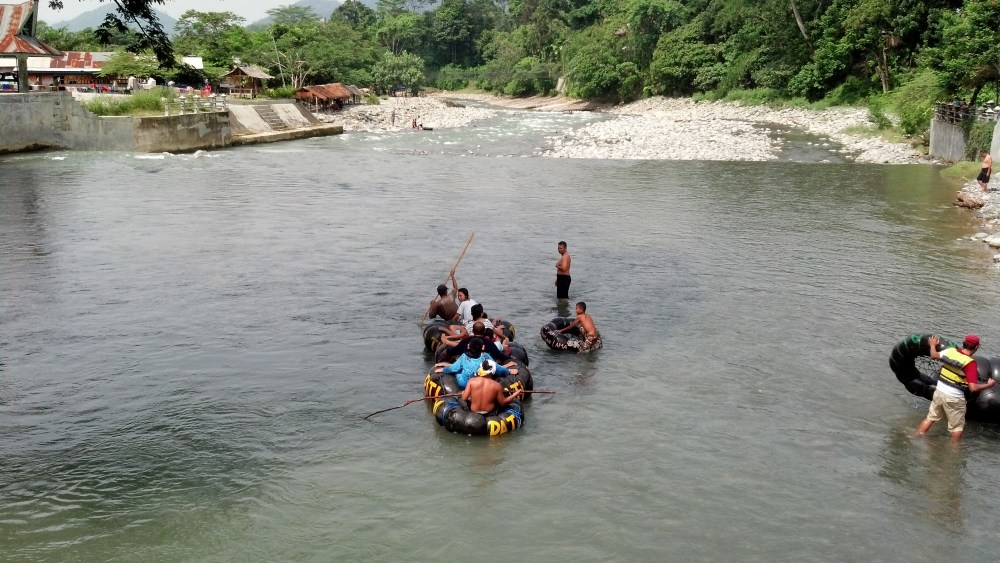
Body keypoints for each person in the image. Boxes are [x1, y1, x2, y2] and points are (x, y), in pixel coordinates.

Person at [914, 335, 995, 442]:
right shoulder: (970, 363)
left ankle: (916, 436)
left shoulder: (951, 351)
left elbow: (933, 355)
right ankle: (953, 453)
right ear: (976, 347)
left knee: (931, 418)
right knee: (957, 428)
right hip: (954, 397)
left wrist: (932, 345)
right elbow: (973, 388)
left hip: (939, 391)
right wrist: (989, 385)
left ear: (963, 343)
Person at [434, 338, 517, 389]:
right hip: (480, 383)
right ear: (483, 347)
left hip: (465, 384)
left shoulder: (464, 356)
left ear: (469, 346)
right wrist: (509, 371)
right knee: (492, 370)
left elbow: (453, 368)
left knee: (457, 370)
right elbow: (495, 367)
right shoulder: (485, 356)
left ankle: (449, 366)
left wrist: (442, 369)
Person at [440, 321, 516, 367]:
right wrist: (510, 359)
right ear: (483, 331)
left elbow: (453, 351)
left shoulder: (466, 340)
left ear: (473, 331)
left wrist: (445, 355)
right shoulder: (488, 342)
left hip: (468, 366)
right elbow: (499, 355)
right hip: (484, 366)